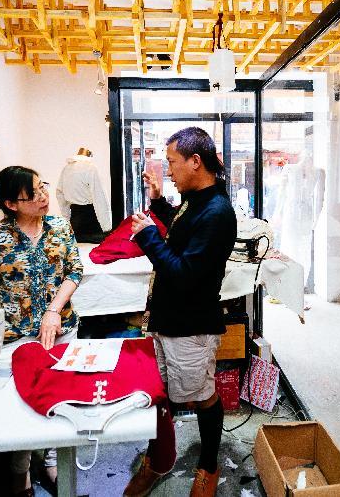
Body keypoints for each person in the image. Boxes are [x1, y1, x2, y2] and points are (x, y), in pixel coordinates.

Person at [0, 165, 82, 497]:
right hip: (17, 336)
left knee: (59, 398)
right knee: (20, 404)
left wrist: (53, 310)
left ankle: (51, 462)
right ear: (11, 204)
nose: (43, 195)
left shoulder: (60, 227)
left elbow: (75, 271)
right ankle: (19, 472)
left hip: (61, 330)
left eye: (42, 187)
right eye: (33, 193)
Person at [124, 127, 237, 497]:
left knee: (201, 395)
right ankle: (159, 460)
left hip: (191, 324)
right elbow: (181, 227)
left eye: (172, 163)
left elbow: (186, 275)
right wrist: (158, 203)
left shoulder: (218, 212)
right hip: (167, 317)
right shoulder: (195, 199)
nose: (168, 171)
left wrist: (148, 238)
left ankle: (208, 467)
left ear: (195, 162)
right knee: (158, 392)